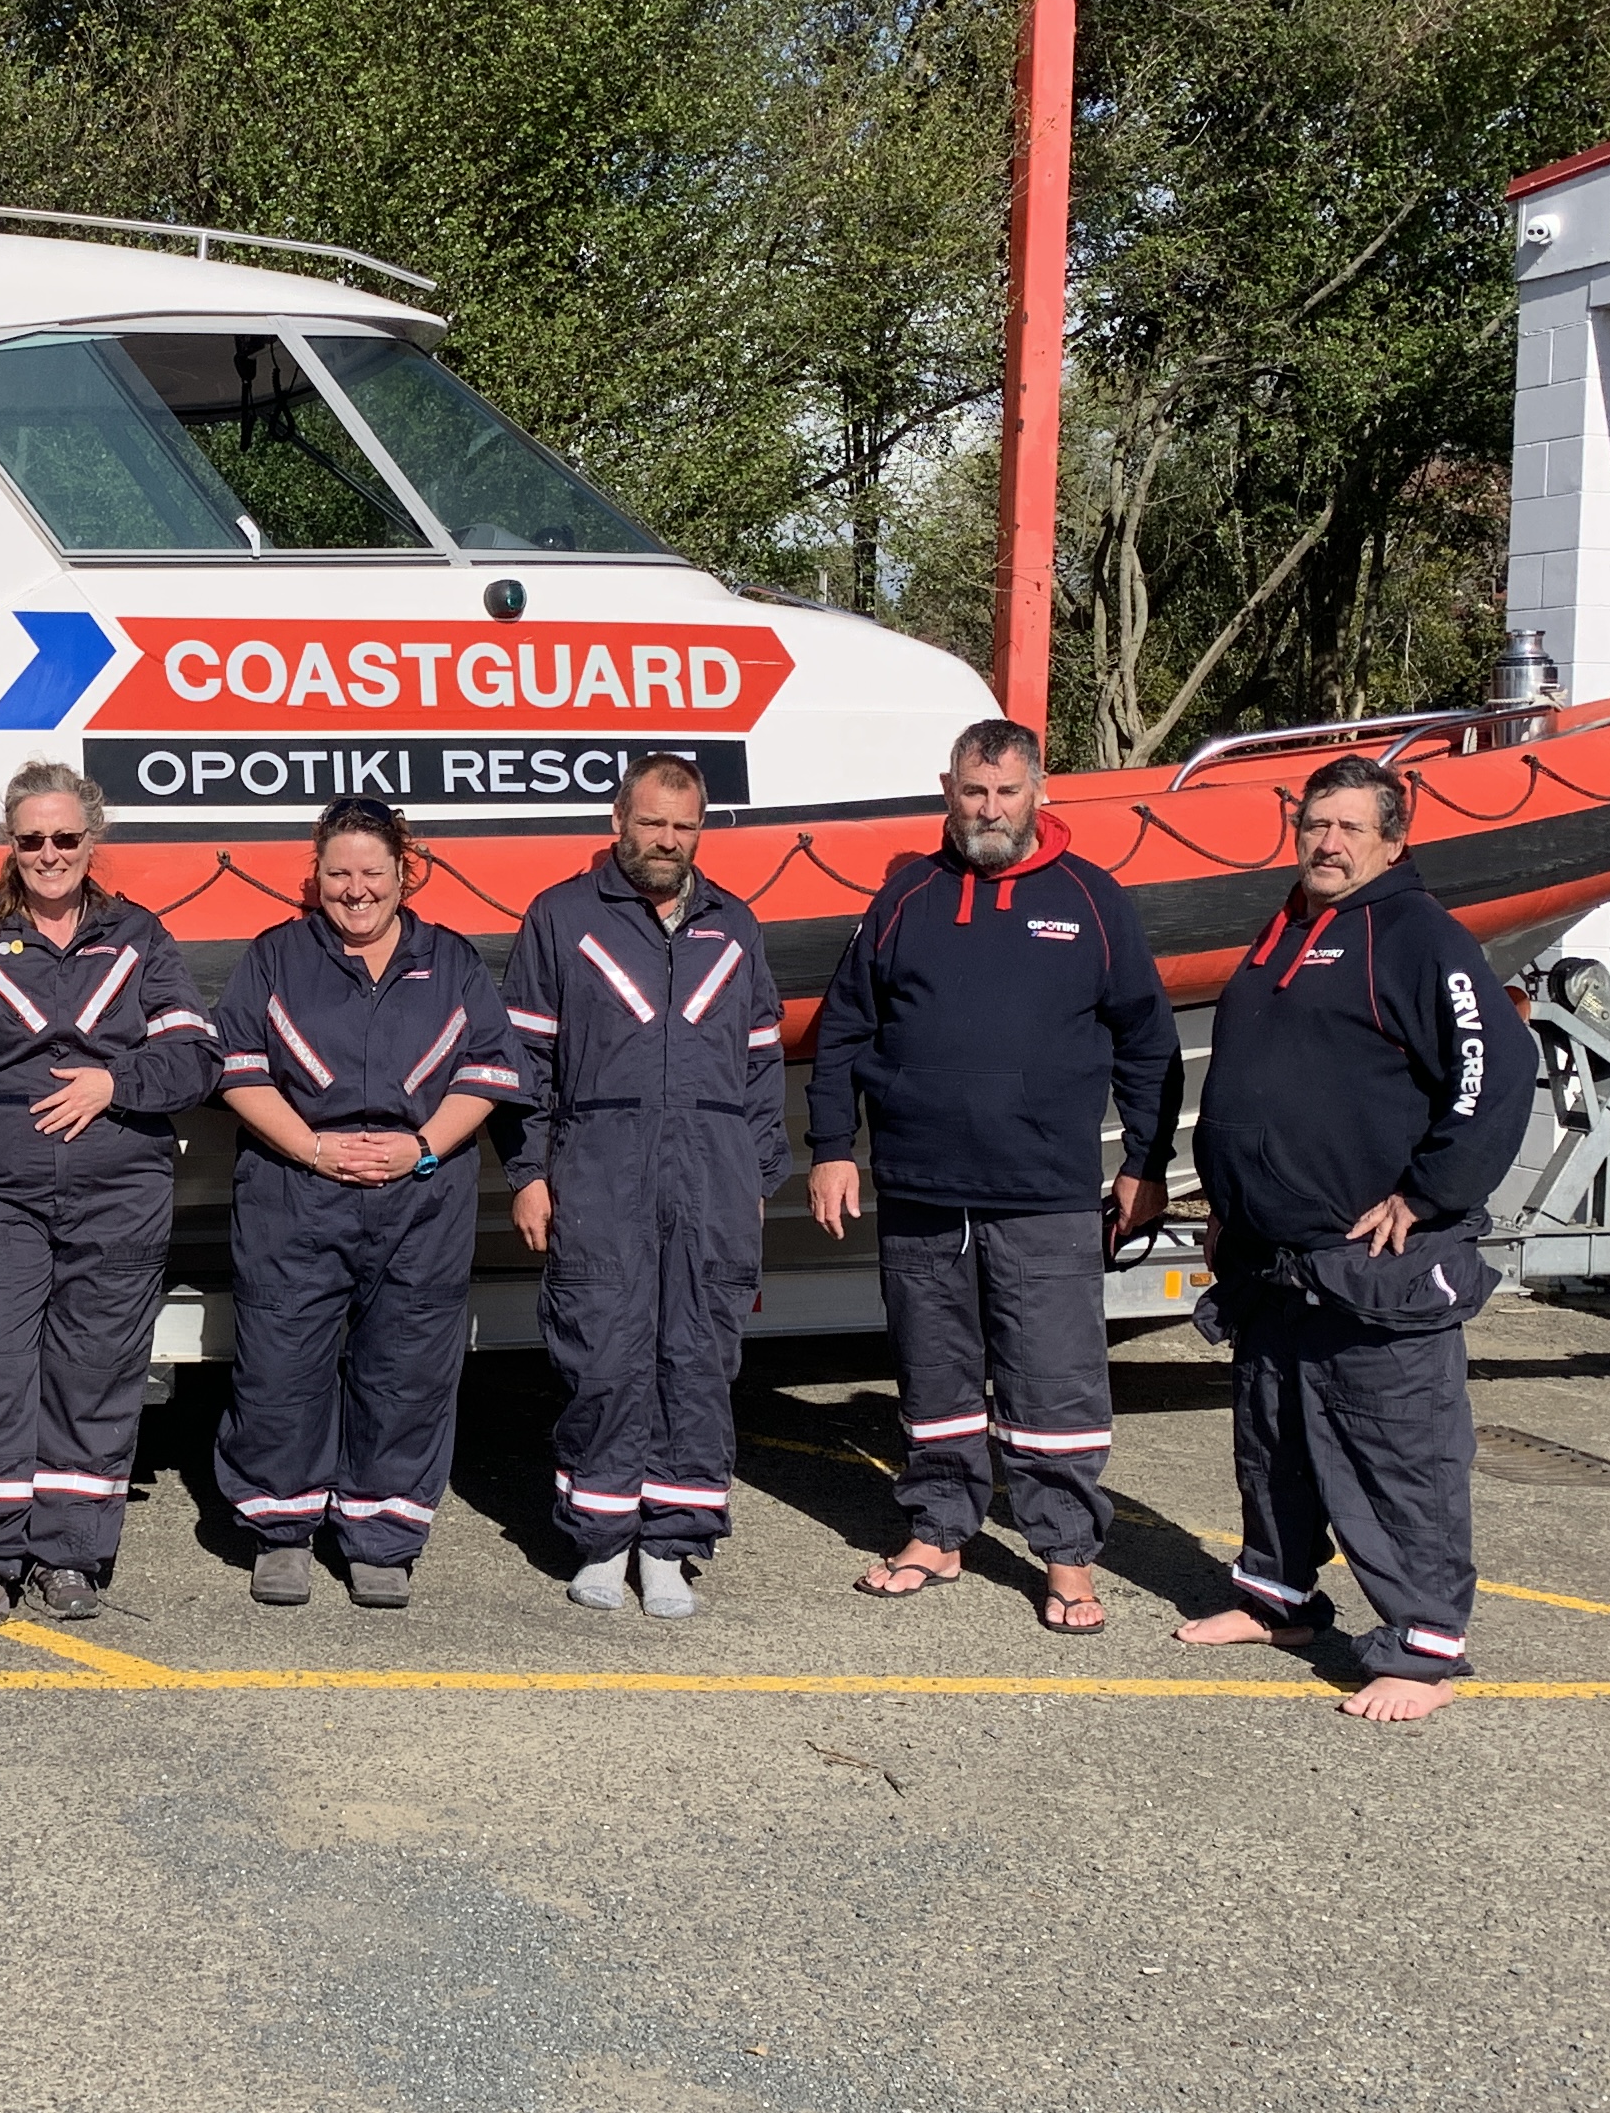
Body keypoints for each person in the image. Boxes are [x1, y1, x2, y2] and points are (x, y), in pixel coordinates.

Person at [1173, 752, 1532, 1724]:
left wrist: (1430, 1190)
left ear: (1392, 839)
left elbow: (1494, 1069)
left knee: (1397, 1455)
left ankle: (1420, 1650)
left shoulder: (1417, 937)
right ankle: (1277, 1598)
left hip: (1372, 1265)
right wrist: (1232, 1198)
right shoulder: (1291, 925)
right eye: (1314, 825)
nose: (1326, 843)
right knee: (1274, 1445)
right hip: (1274, 1261)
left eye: (1347, 828)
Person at [803, 720, 1181, 1635]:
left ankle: (1066, 1555)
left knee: (1056, 1382)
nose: (990, 810)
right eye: (975, 792)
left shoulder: (1091, 901)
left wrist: (1146, 1163)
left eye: (1007, 792)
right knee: (933, 1371)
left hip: (1044, 1190)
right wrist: (830, 1147)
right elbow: (845, 1030)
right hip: (922, 1188)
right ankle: (938, 1529)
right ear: (948, 789)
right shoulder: (904, 897)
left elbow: (1147, 1040)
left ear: (1037, 793)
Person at [0, 765, 219, 1639]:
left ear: (92, 841)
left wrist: (114, 1082)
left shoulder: (139, 937)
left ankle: (70, 1553)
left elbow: (197, 1060)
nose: (49, 853)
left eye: (66, 837)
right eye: (32, 838)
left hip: (117, 1187)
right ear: (9, 841)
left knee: (97, 1374)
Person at [211, 799, 523, 1610]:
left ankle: (382, 1536)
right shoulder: (277, 956)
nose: (356, 891)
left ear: (403, 873)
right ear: (315, 876)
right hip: (296, 1186)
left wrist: (421, 1147)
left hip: (420, 1192)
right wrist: (312, 1146)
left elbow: (488, 1072)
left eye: (372, 874)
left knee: (407, 1368)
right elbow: (239, 1070)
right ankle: (281, 1532)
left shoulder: (449, 961)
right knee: (283, 1366)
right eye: (339, 873)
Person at [505, 756, 792, 1621]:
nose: (668, 840)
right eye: (653, 822)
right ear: (619, 819)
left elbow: (762, 1064)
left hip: (712, 1175)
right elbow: (525, 1065)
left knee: (699, 1359)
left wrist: (756, 1176)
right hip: (599, 1167)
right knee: (603, 1353)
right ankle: (602, 1536)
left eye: (685, 826)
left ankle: (671, 1540)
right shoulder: (561, 918)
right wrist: (528, 1173)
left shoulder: (733, 927)